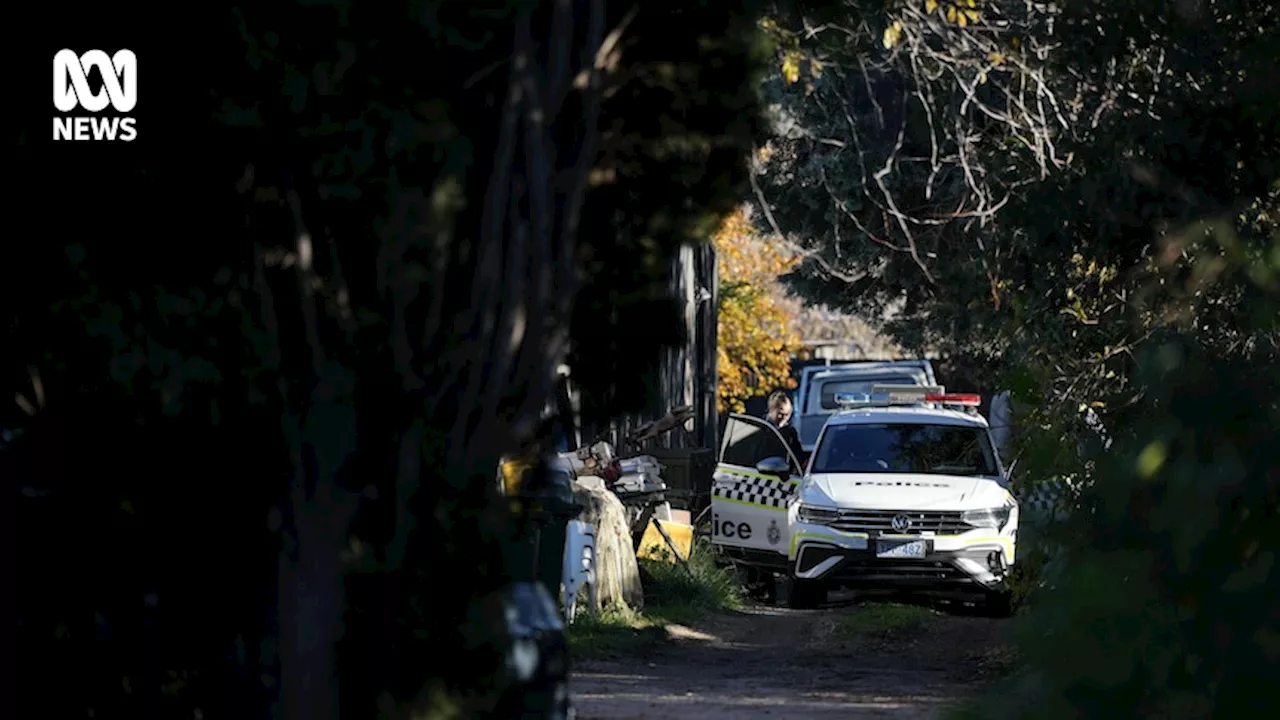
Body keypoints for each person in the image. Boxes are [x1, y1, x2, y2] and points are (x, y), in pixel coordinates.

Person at [764, 389, 806, 469]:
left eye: (787, 415)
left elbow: (798, 457)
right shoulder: (761, 429)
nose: (784, 418)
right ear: (772, 409)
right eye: (780, 414)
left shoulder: (790, 432)